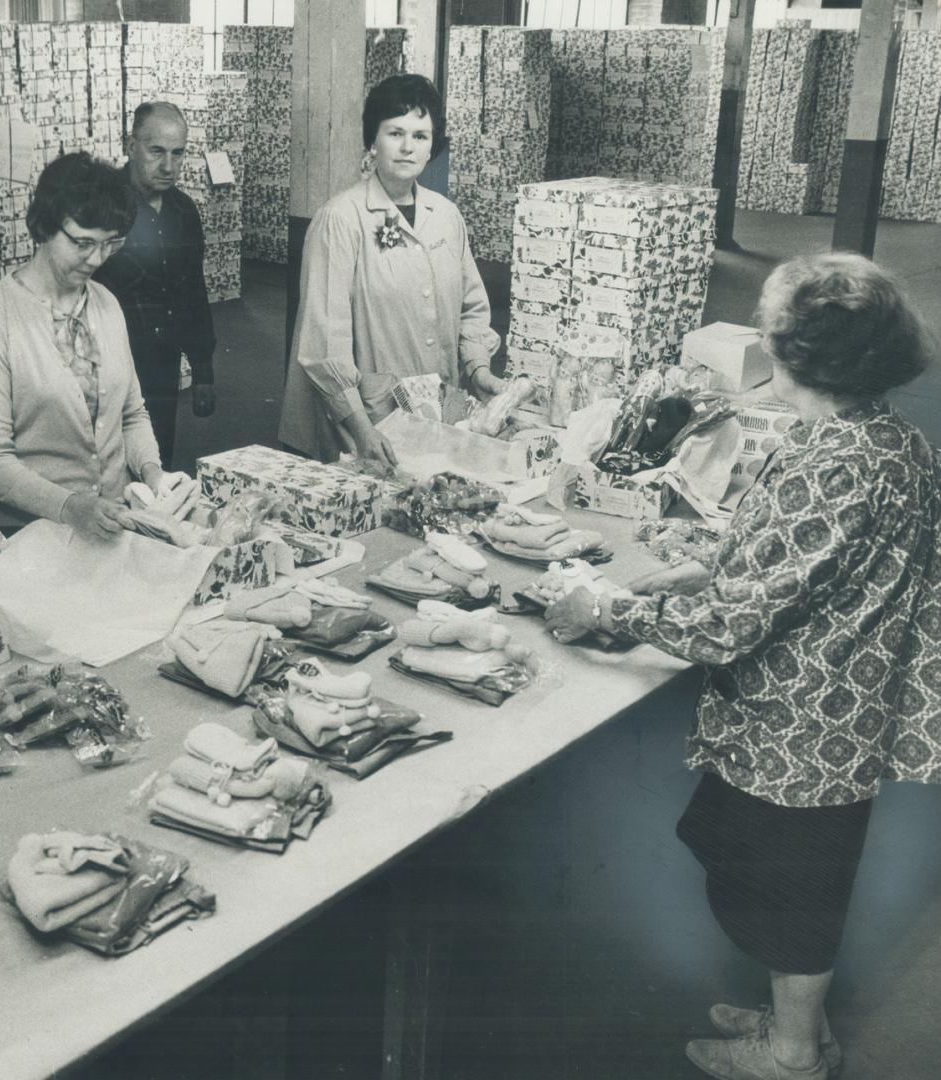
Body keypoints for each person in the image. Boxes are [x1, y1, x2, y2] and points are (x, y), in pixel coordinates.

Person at [544, 253, 941, 1080]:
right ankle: (802, 1027)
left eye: (771, 329)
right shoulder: (881, 436)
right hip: (843, 702)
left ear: (797, 351)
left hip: (803, 714)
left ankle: (791, 1055)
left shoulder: (835, 460)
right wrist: (705, 559)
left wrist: (607, 607)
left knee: (787, 887)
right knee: (786, 869)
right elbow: (805, 556)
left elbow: (730, 627)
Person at [278, 74, 504, 466]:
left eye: (420, 136)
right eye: (394, 132)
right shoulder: (341, 219)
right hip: (362, 423)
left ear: (433, 145)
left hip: (436, 410)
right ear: (373, 140)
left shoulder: (446, 217)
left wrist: (479, 368)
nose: (406, 147)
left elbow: (471, 308)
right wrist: (361, 427)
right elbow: (323, 341)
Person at [0, 152, 165, 541]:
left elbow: (131, 415)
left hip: (108, 524)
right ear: (44, 227)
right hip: (24, 532)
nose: (96, 259)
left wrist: (153, 472)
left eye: (109, 244)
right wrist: (69, 506)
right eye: (82, 243)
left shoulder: (106, 305)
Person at [93, 101, 218, 470]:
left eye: (178, 153)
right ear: (131, 146)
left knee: (156, 465)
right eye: (157, 152)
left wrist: (203, 371)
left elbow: (194, 293)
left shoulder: (184, 211)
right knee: (105, 473)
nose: (169, 166)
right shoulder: (98, 208)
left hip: (162, 367)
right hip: (106, 369)